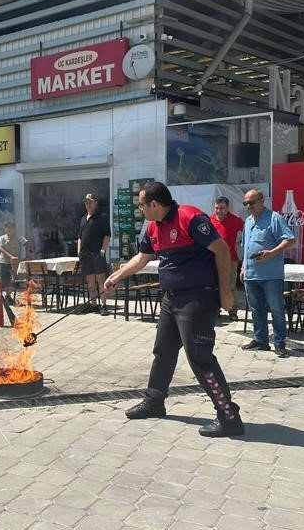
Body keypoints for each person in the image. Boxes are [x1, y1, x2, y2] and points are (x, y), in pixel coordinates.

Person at [103, 181, 240, 437]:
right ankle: (154, 402)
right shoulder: (152, 227)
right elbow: (142, 258)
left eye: (141, 205)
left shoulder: (189, 218)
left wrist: (225, 292)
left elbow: (222, 250)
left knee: (200, 358)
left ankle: (229, 416)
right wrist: (117, 275)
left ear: (154, 204)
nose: (140, 209)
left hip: (197, 299)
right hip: (171, 300)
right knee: (163, 352)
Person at [241, 188, 295, 358]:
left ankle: (279, 343)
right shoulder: (248, 221)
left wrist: (271, 253)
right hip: (251, 275)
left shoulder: (274, 218)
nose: (248, 206)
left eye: (251, 202)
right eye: (245, 203)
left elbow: (290, 240)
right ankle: (261, 340)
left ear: (261, 200)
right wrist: (243, 268)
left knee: (276, 310)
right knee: (256, 309)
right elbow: (245, 247)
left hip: (271, 276)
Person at [210, 196, 244, 321]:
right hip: (212, 258)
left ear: (228, 208)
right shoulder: (210, 220)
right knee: (213, 284)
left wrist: (241, 243)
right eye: (217, 208)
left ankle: (232, 310)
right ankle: (215, 309)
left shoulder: (236, 220)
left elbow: (247, 232)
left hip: (230, 258)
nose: (219, 211)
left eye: (222, 208)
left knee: (230, 285)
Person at [78, 193, 112, 314]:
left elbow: (107, 235)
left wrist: (103, 250)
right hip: (85, 255)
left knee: (101, 281)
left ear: (95, 203)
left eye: (90, 202)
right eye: (86, 202)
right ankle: (94, 305)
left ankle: (104, 305)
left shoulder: (102, 217)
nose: (88, 204)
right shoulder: (83, 219)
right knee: (90, 283)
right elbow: (80, 237)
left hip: (98, 254)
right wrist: (79, 251)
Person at [0, 220, 30, 305]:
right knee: (5, 280)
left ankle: (7, 295)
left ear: (14, 228)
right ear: (5, 229)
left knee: (15, 280)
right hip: (4, 262)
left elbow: (27, 244)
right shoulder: (2, 238)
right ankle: (8, 297)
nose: (9, 229)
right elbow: (1, 249)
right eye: (7, 227)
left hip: (15, 263)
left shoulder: (18, 237)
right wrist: (11, 256)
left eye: (11, 228)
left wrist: (27, 255)